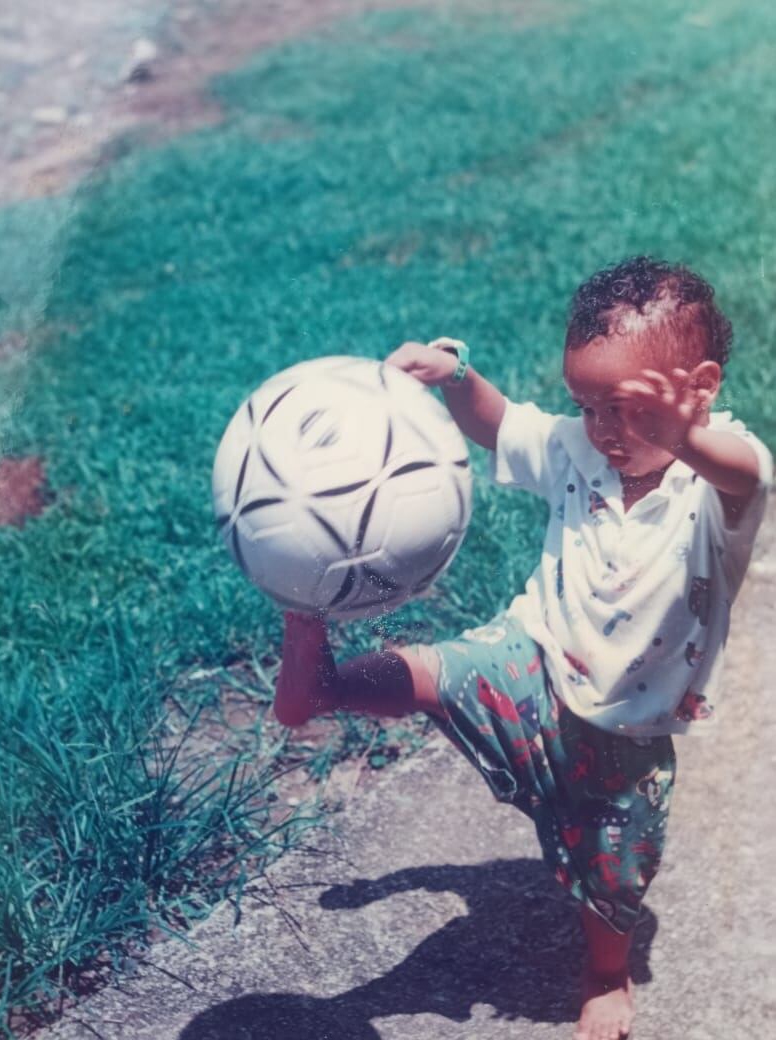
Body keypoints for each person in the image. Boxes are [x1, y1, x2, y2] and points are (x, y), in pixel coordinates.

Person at [272, 256, 772, 1040]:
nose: (601, 429)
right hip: (532, 655)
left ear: (699, 389)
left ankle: (605, 975)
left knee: (613, 873)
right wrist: (456, 376)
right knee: (438, 671)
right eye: (586, 406)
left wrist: (684, 437)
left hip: (627, 725)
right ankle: (324, 679)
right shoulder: (580, 448)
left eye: (625, 409)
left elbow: (745, 473)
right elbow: (500, 425)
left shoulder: (716, 484)